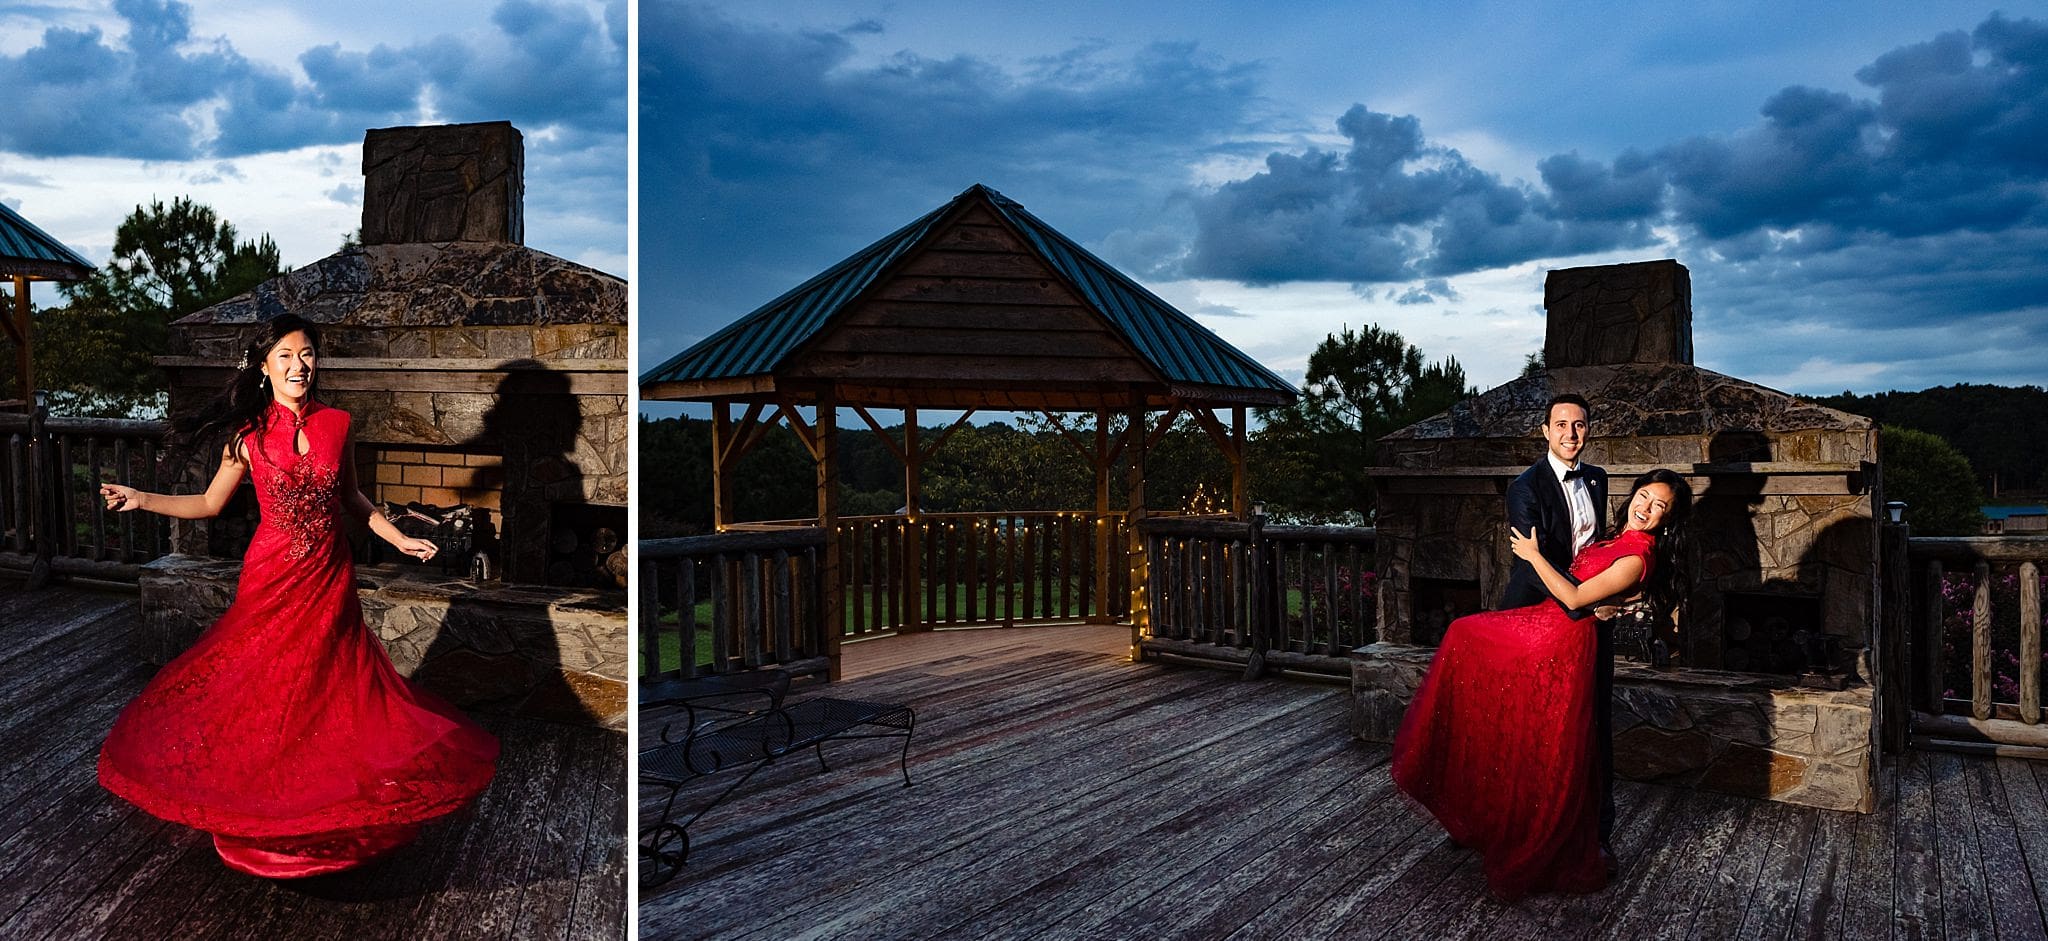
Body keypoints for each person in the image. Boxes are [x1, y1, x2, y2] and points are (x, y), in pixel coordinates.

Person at [96, 314, 499, 878]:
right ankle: (266, 804)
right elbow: (210, 505)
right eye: (285, 355)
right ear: (264, 366)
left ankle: (322, 804)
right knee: (267, 684)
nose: (298, 366)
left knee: (329, 686)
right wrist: (143, 498)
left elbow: (354, 499)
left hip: (330, 573)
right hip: (272, 575)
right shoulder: (248, 435)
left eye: (306, 354)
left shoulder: (339, 422)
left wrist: (401, 537)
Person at [1391, 469, 1692, 900]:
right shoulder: (1614, 538)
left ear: (1668, 519)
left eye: (1659, 505)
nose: (1646, 508)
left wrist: (1533, 555)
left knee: (1465, 637)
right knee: (1467, 642)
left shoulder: (1636, 556)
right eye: (1644, 496)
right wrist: (1611, 603)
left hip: (1561, 639)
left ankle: (1527, 831)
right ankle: (1483, 808)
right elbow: (1591, 592)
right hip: (1548, 622)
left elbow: (1573, 599)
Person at [1501, 393, 1619, 849]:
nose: (1572, 434)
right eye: (1562, 424)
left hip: (1591, 615)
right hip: (1537, 615)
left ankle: (1597, 835)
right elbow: (1534, 565)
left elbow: (1587, 549)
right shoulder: (1523, 488)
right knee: (1532, 724)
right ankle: (1513, 822)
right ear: (1546, 431)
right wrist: (1591, 603)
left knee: (1595, 723)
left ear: (1589, 430)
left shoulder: (1597, 478)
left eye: (1581, 425)